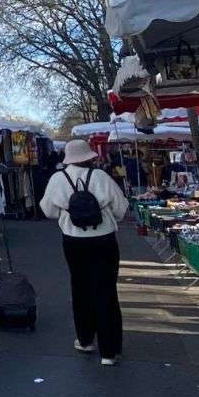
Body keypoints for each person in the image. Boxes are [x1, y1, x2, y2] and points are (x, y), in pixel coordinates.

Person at [39, 139, 129, 364]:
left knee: (80, 288)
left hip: (74, 240)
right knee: (106, 290)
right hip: (104, 239)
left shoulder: (58, 179)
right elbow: (121, 207)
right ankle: (109, 350)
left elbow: (48, 210)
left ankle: (85, 339)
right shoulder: (101, 177)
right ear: (89, 157)